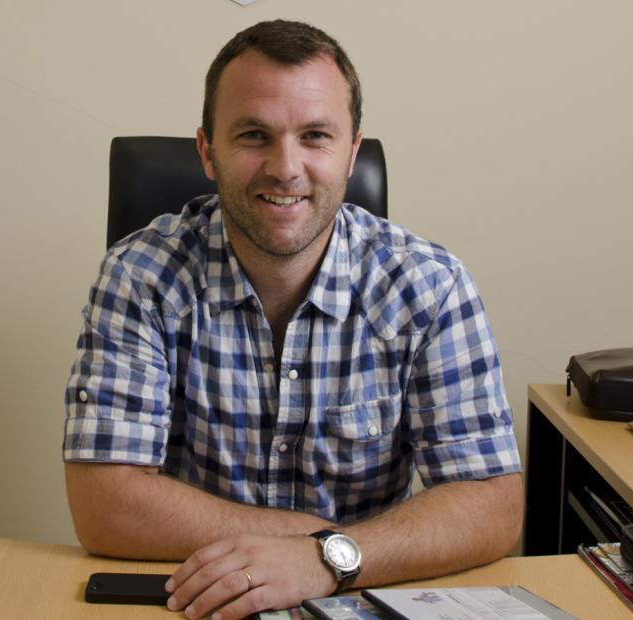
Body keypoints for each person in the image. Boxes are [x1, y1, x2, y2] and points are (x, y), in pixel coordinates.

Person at [63, 19, 523, 620]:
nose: (286, 167)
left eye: (315, 136)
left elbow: (491, 505)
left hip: (356, 598)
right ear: (207, 151)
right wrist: (316, 539)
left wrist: (327, 559)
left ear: (352, 153)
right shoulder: (140, 277)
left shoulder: (430, 288)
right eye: (254, 135)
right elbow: (105, 504)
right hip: (192, 602)